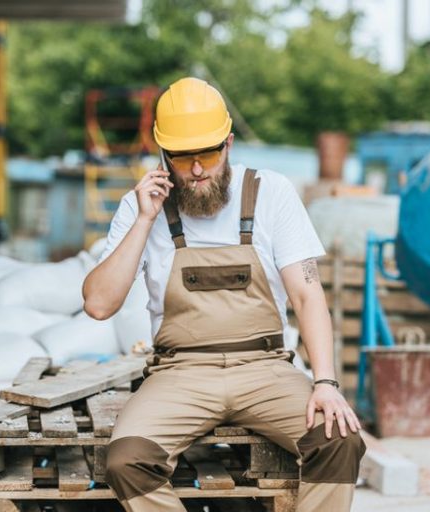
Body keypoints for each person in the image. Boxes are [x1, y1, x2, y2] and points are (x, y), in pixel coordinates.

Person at [82, 77, 365, 512]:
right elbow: (99, 304)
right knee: (127, 460)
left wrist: (325, 382)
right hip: (180, 373)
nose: (197, 170)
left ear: (229, 143)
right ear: (163, 155)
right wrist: (143, 221)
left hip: (265, 369)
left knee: (339, 440)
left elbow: (308, 296)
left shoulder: (272, 193)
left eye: (209, 154)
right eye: (182, 157)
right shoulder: (139, 208)